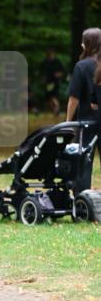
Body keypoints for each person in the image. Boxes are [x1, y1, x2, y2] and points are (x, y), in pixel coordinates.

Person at [66, 27, 101, 191]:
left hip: (87, 123)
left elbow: (74, 98)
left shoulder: (82, 66)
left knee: (83, 163)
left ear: (87, 44)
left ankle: (82, 201)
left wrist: (67, 121)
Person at [40, 49, 66, 116]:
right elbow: (42, 73)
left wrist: (58, 74)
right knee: (49, 98)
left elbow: (62, 71)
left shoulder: (57, 62)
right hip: (48, 83)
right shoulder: (45, 62)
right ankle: (54, 111)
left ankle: (57, 110)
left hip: (55, 82)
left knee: (54, 97)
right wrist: (43, 79)